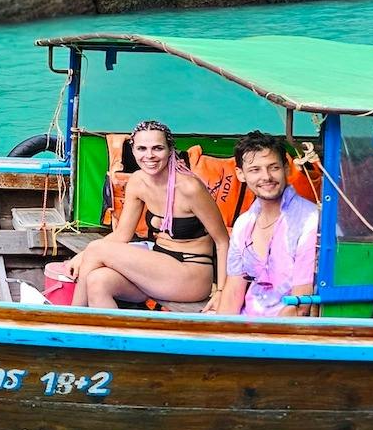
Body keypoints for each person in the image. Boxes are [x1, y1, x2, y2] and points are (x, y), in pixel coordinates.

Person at [66, 119, 229, 308]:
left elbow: (223, 241)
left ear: (170, 150)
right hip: (157, 267)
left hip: (191, 273)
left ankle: (71, 318)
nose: (149, 156)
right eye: (142, 149)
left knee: (97, 248)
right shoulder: (138, 182)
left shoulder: (189, 188)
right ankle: (113, 337)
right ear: (133, 150)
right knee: (98, 280)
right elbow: (122, 235)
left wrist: (222, 292)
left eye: (157, 148)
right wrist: (84, 256)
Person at [216, 130, 319, 318]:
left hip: (284, 333)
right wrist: (218, 335)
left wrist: (260, 339)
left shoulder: (310, 220)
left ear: (287, 169)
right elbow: (233, 293)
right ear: (240, 174)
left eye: (273, 168)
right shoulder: (244, 224)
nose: (266, 177)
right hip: (246, 325)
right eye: (255, 170)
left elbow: (301, 304)